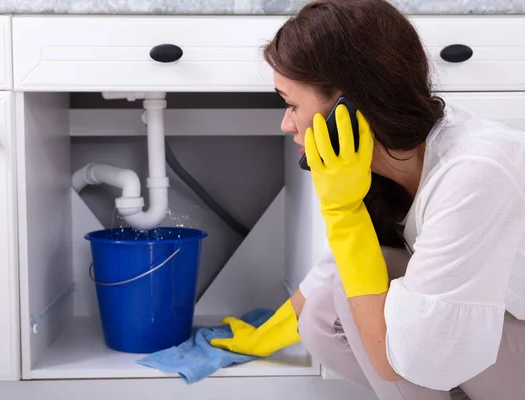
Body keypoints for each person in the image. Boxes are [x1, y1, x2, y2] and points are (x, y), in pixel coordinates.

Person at [210, 0, 525, 398]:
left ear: (350, 109)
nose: (286, 122)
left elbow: (395, 362)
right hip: (504, 331)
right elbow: (336, 272)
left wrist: (343, 212)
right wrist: (265, 336)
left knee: (366, 300)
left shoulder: (475, 172)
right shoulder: (399, 157)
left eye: (292, 105)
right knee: (325, 309)